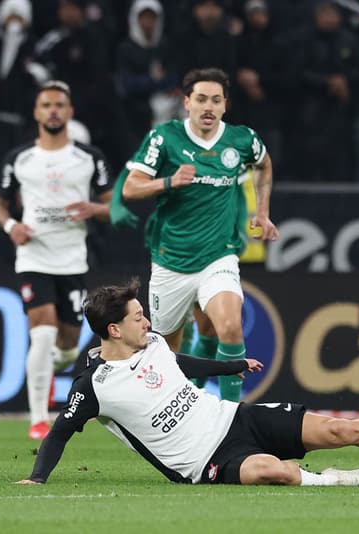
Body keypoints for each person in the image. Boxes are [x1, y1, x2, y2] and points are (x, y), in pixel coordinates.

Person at [15, 279, 359, 486]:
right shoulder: (93, 386)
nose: (147, 320)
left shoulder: (153, 343)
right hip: (204, 462)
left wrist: (230, 367)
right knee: (273, 472)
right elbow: (60, 431)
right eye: (137, 317)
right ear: (113, 330)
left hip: (236, 418)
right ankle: (334, 482)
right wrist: (38, 479)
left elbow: (182, 364)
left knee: (339, 429)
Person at [122, 67, 279, 403]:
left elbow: (264, 164)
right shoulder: (164, 138)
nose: (209, 107)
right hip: (171, 260)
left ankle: (231, 418)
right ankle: (181, 405)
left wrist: (262, 211)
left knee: (230, 326)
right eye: (202, 99)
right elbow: (131, 189)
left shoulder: (241, 139)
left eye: (216, 100)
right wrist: (168, 182)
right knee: (166, 352)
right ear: (187, 102)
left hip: (218, 255)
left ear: (225, 106)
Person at [0, 80, 112, 440]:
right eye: (47, 105)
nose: (53, 110)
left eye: (60, 105)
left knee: (68, 344)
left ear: (70, 112)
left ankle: (57, 363)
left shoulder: (89, 157)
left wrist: (93, 209)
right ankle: (38, 420)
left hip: (72, 260)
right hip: (33, 256)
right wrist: (12, 225)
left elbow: (114, 206)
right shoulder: (20, 159)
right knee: (41, 334)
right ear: (37, 112)